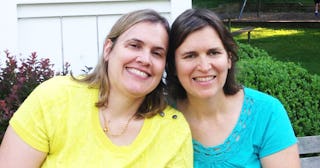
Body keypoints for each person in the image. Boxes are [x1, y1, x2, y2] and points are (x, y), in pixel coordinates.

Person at [0, 9, 193, 167]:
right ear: (108, 49)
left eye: (157, 53)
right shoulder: (54, 98)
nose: (144, 59)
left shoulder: (172, 130)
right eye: (134, 45)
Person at [166, 8, 300, 168]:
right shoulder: (160, 118)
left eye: (213, 52)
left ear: (229, 59)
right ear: (173, 66)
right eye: (190, 55)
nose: (204, 66)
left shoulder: (267, 113)